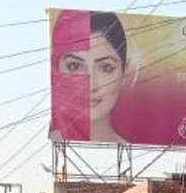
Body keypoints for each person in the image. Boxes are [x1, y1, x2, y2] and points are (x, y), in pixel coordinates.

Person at [50, 10, 129, 143]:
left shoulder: (143, 158)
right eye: (74, 66)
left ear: (124, 73)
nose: (90, 85)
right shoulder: (37, 151)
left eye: (106, 68)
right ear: (55, 70)